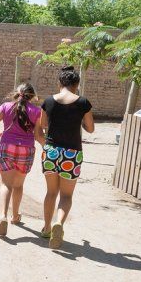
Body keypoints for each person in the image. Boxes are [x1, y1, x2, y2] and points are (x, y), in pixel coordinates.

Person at [37, 66, 95, 249]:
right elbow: (90, 128)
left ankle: (46, 228)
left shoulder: (48, 101)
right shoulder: (83, 102)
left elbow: (43, 124)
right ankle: (59, 224)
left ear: (60, 83)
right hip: (72, 153)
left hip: (51, 151)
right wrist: (79, 123)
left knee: (51, 192)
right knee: (66, 195)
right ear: (76, 85)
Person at [0, 83, 42, 236]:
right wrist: (47, 148)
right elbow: (38, 135)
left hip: (7, 147)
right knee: (18, 186)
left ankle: (3, 216)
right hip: (26, 150)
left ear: (16, 93)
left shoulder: (6, 106)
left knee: (6, 184)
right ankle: (16, 216)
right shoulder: (37, 111)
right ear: (32, 96)